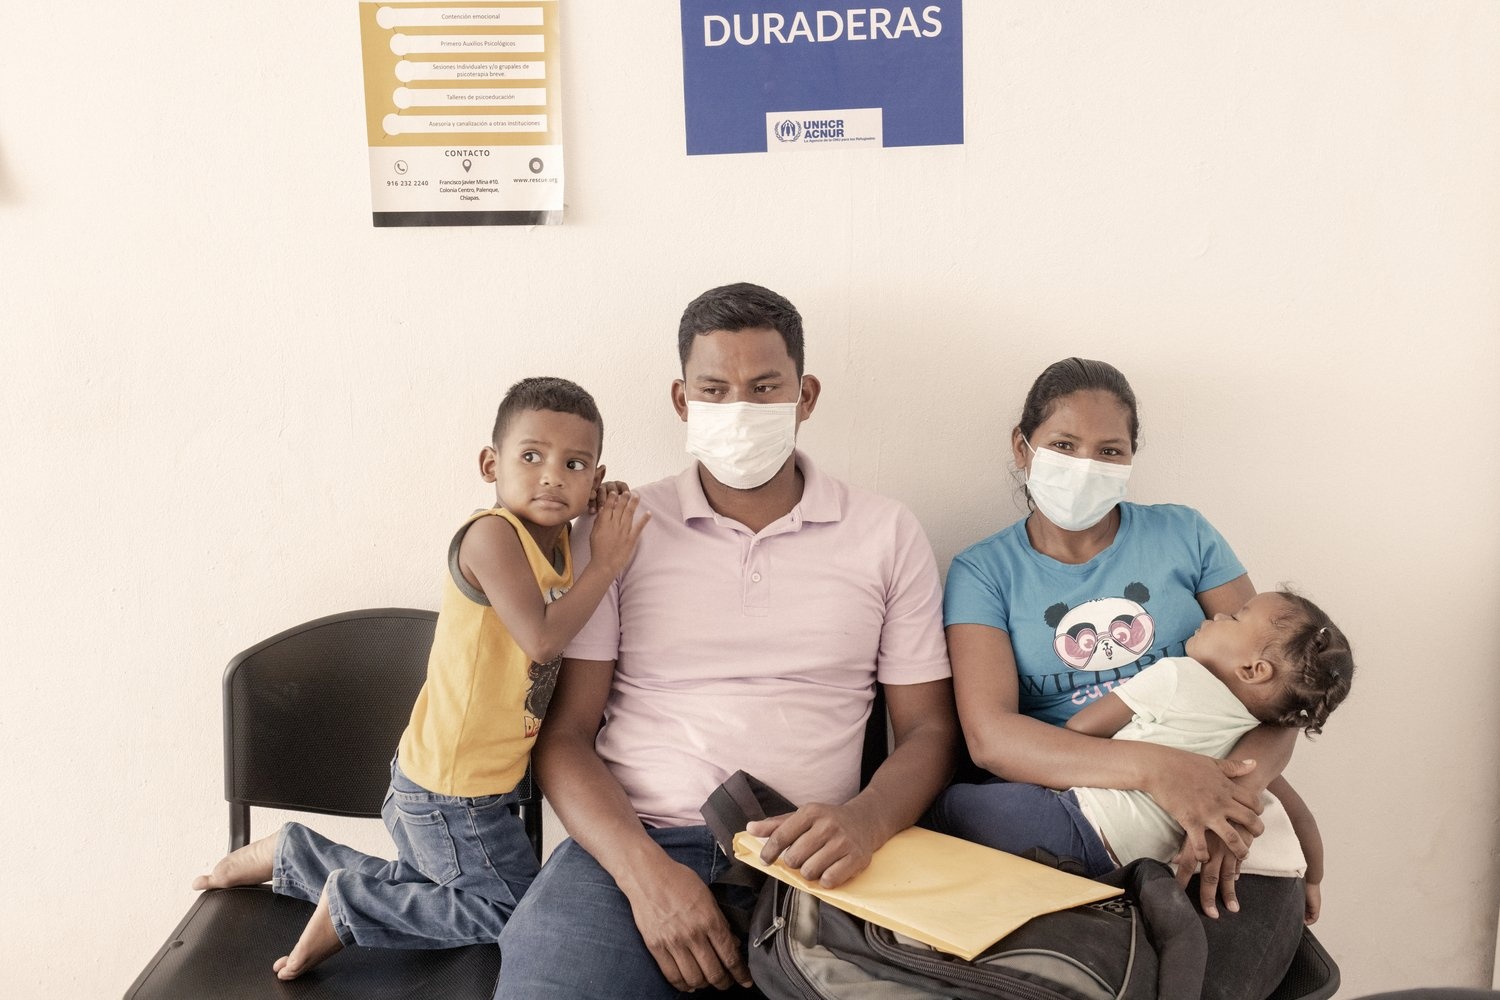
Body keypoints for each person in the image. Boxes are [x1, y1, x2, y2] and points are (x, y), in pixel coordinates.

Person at [494, 283, 959, 1000]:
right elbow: (567, 738)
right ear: (682, 401)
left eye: (764, 387)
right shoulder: (620, 527)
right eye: (714, 389)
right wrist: (644, 876)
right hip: (633, 848)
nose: (739, 408)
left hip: (817, 863)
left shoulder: (885, 532)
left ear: (805, 396)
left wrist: (864, 823)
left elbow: (927, 730)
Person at [190, 376, 649, 979]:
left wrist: (602, 501)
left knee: (461, 896)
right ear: (491, 464)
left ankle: (297, 858)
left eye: (575, 464)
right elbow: (542, 636)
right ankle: (351, 903)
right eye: (531, 456)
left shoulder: (558, 537)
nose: (551, 476)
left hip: (462, 786)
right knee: (522, 913)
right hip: (453, 796)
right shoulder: (491, 537)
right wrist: (610, 559)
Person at [938, 357, 1317, 1000]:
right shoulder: (983, 572)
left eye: (1109, 450)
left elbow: (1277, 694)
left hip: (1213, 809)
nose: (1086, 465)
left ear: (1132, 456)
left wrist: (1233, 805)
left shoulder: (1185, 535)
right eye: (1064, 445)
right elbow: (991, 739)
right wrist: (1158, 770)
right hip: (1071, 817)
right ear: (1021, 448)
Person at [932, 589, 1355, 925]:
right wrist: (1314, 880)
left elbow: (1081, 731)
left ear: (1253, 669)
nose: (1222, 615)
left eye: (1238, 617)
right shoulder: (1250, 740)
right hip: (1139, 869)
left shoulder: (1177, 676)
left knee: (953, 804)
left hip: (1075, 824)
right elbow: (1303, 823)